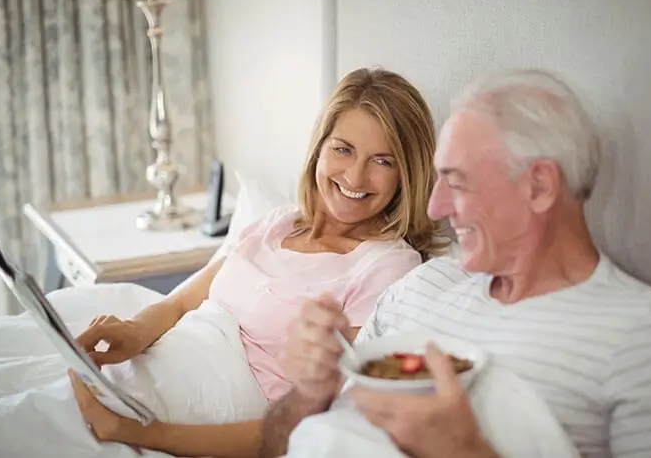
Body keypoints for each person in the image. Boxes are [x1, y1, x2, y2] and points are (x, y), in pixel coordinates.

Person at [260, 69, 651, 458]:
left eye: (458, 182)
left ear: (540, 186)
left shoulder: (650, 337)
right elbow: (287, 447)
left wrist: (465, 451)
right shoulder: (419, 289)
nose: (434, 208)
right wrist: (309, 392)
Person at [65, 67, 449, 457]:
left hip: (191, 414)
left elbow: (311, 425)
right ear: (320, 147)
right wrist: (132, 332)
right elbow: (181, 303)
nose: (355, 175)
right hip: (153, 368)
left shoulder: (387, 267)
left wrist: (141, 433)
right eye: (343, 149)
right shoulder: (278, 222)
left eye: (382, 161)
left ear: (406, 174)